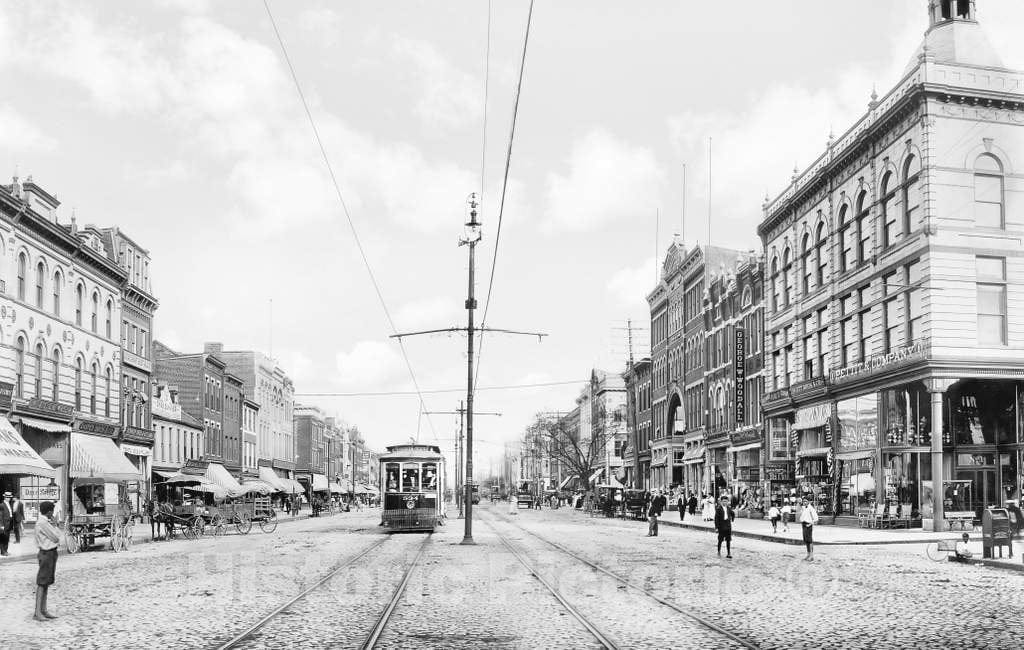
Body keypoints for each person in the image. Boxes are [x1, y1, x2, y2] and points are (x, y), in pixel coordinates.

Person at [34, 500, 61, 621]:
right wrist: (55, 525)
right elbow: (55, 537)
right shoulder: (43, 523)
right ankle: (37, 612)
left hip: (50, 553)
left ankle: (43, 610)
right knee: (42, 583)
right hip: (46, 553)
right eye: (52, 512)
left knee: (46, 582)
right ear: (49, 512)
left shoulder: (45, 522)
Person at [799, 497, 819, 561]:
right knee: (806, 540)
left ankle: (811, 555)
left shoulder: (811, 509)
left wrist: (810, 524)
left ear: (809, 502)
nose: (804, 502)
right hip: (804, 524)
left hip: (808, 525)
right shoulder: (804, 508)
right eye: (803, 501)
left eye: (806, 501)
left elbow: (816, 519)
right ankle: (808, 554)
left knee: (810, 540)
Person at [0, 491, 13, 556]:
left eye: (9, 497)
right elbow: (0, 516)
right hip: (4, 524)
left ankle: (6, 550)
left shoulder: (9, 504)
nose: (9, 498)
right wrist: (1, 525)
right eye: (7, 497)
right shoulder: (2, 505)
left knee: (7, 538)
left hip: (9, 524)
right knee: (3, 538)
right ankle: (3, 551)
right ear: (5, 497)